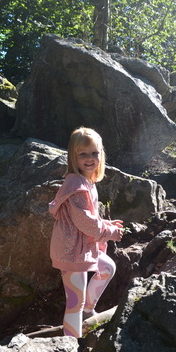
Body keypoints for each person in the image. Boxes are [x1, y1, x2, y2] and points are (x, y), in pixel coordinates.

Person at [49, 127, 124, 338]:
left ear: (101, 155)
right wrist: (110, 231)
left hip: (81, 246)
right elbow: (84, 222)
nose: (89, 158)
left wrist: (105, 222)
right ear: (73, 157)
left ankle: (88, 311)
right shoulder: (77, 185)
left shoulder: (87, 181)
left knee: (107, 267)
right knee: (75, 302)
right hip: (71, 251)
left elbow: (88, 217)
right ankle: (70, 344)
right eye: (83, 154)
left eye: (94, 153)